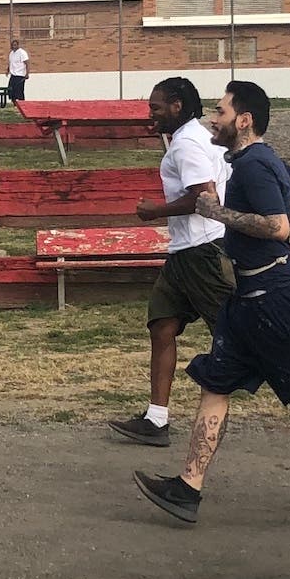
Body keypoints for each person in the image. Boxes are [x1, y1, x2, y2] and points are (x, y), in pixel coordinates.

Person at [130, 81, 290, 525]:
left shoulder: (256, 164)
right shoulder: (248, 161)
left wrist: (218, 213)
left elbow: (277, 227)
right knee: (216, 383)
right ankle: (187, 488)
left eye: (221, 112)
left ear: (243, 121)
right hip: (246, 298)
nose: (213, 119)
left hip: (273, 301)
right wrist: (268, 231)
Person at [109, 76, 237, 448]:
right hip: (185, 252)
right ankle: (156, 419)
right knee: (161, 325)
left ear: (177, 106)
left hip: (204, 253)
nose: (151, 114)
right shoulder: (195, 137)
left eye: (156, 107)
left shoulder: (186, 144)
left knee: (237, 336)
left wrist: (156, 211)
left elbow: (205, 197)